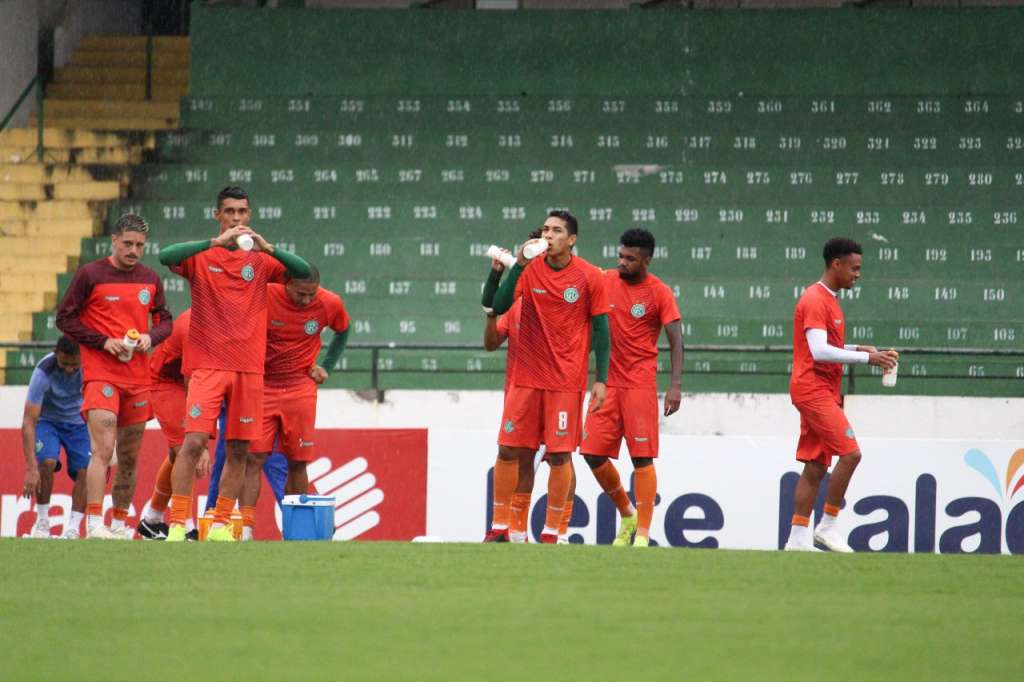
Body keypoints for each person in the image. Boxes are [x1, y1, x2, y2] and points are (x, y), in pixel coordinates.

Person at [158, 186, 311, 542]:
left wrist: (268, 247)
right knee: (192, 442)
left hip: (249, 370)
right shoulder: (201, 258)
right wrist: (215, 242)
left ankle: (222, 525)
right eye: (230, 212)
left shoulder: (260, 262)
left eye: (242, 212)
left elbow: (302, 270)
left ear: (250, 215)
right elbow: (166, 255)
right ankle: (179, 524)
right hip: (208, 366)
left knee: (240, 448)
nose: (237, 218)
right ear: (218, 215)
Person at [486, 209, 610, 544]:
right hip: (525, 378)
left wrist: (601, 379)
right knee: (509, 450)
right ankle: (501, 526)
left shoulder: (589, 277)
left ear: (571, 240)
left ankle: (553, 531)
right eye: (545, 230)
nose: (548, 236)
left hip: (565, 382)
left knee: (559, 455)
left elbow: (601, 328)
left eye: (556, 231)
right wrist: (520, 267)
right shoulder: (530, 271)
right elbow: (498, 304)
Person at [56, 213, 172, 539]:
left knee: (131, 456)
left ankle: (120, 524)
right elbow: (65, 319)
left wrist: (151, 337)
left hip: (138, 377)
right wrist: (103, 342)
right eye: (128, 244)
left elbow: (166, 320)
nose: (134, 250)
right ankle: (94, 523)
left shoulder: (150, 278)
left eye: (140, 245)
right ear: (114, 241)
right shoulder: (90, 274)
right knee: (103, 450)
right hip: (101, 374)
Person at [784, 237, 898, 552]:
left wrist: (856, 349)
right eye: (855, 268)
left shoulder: (830, 300)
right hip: (813, 389)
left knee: (816, 465)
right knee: (851, 454)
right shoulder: (815, 299)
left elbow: (821, 346)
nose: (858, 274)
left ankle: (796, 540)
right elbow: (819, 352)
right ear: (837, 264)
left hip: (822, 389)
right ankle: (828, 526)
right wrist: (868, 359)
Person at [579, 228, 684, 547]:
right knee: (591, 453)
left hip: (639, 385)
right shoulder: (605, 280)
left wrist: (675, 384)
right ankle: (628, 514)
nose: (622, 262)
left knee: (642, 459)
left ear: (647, 260)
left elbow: (676, 340)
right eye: (620, 256)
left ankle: (642, 534)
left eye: (630, 258)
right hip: (605, 384)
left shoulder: (660, 292)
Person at [238, 265, 349, 540]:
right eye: (300, 293)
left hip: (300, 388)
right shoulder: (264, 295)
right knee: (254, 458)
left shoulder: (329, 303)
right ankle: (246, 529)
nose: (305, 300)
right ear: (286, 283)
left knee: (298, 461)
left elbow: (343, 330)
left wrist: (327, 366)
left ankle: (298, 531)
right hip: (262, 385)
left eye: (311, 294)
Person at [136, 309, 210, 540]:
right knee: (188, 451)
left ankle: (152, 519)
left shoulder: (224, 319)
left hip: (192, 380)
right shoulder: (193, 324)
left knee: (177, 454)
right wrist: (200, 439)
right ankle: (185, 525)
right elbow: (190, 381)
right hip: (167, 381)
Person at [20, 336, 90, 539]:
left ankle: (73, 528)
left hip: (78, 423)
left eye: (74, 365)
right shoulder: (43, 372)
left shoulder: (90, 367)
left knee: (87, 471)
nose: (69, 369)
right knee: (46, 463)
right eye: (64, 364)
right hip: (47, 421)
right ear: (56, 354)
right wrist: (31, 469)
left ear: (81, 359)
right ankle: (42, 523)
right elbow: (29, 422)